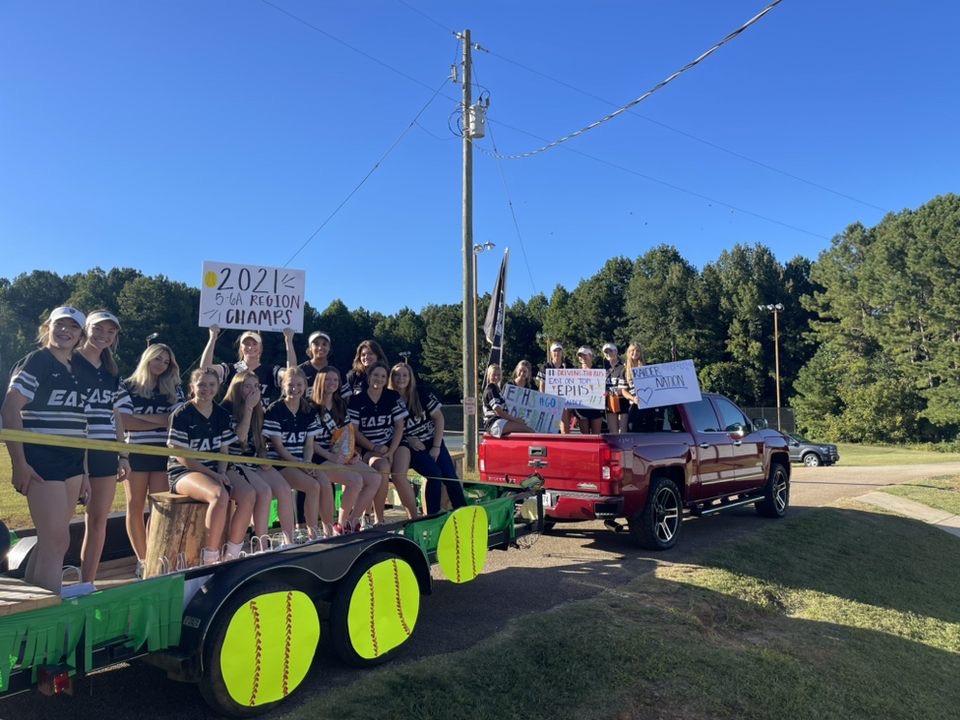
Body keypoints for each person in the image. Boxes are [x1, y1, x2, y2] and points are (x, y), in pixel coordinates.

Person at [1, 306, 91, 592]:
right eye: (59, 325)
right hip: (42, 461)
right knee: (56, 541)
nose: (65, 331)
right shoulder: (37, 361)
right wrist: (19, 463)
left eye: (73, 327)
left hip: (72, 463)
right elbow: (10, 408)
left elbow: (81, 424)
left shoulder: (76, 369)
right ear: (47, 327)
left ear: (80, 335)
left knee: (52, 540)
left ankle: (34, 603)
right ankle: (50, 611)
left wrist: (85, 472)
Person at [167, 368, 254, 564]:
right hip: (185, 471)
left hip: (216, 469)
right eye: (202, 385)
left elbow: (224, 451)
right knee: (219, 495)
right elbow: (182, 457)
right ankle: (210, 555)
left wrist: (222, 471)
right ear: (192, 387)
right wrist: (214, 475)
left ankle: (232, 552)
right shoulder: (181, 414)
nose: (206, 389)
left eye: (211, 385)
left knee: (248, 494)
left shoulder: (221, 414)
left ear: (218, 387)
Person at [73, 310, 130, 583]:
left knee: (97, 523)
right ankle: (47, 586)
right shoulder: (70, 361)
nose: (103, 336)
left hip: (105, 451)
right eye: (99, 329)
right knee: (58, 528)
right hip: (71, 452)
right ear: (87, 328)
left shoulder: (111, 371)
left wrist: (123, 454)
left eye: (110, 331)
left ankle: (87, 583)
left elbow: (115, 414)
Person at [119, 342, 184, 578]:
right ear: (147, 358)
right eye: (158, 359)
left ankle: (157, 555)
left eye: (166, 362)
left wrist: (141, 418)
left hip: (163, 453)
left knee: (159, 508)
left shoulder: (174, 387)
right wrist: (160, 419)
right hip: (135, 452)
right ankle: (142, 559)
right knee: (134, 506)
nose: (161, 365)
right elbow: (123, 422)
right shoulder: (127, 386)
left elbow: (175, 420)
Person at [221, 371, 296, 548]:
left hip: (255, 460)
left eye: (256, 386)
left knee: (284, 490)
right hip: (234, 461)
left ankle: (290, 541)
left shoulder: (259, 410)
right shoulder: (226, 408)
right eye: (247, 386)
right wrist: (248, 408)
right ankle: (261, 543)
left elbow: (259, 438)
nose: (252, 391)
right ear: (237, 388)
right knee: (264, 491)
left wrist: (264, 456)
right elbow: (240, 438)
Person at [389, 363, 466, 515]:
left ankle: (463, 512)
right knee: (434, 475)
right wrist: (409, 439)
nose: (401, 378)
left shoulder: (421, 393)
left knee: (450, 477)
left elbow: (439, 418)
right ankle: (432, 516)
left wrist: (436, 447)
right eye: (397, 375)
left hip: (432, 441)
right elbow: (389, 429)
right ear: (392, 378)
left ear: (410, 377)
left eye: (405, 375)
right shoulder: (389, 398)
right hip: (412, 446)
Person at [311, 365, 380, 533]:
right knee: (355, 480)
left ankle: (350, 522)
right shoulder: (309, 406)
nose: (332, 383)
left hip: (338, 455)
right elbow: (308, 441)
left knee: (374, 478)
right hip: (317, 457)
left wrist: (353, 453)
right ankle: (340, 525)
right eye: (327, 379)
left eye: (335, 380)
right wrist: (330, 456)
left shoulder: (339, 404)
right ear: (319, 381)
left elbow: (347, 433)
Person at [263, 367, 327, 539]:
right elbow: (278, 446)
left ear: (305, 386)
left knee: (323, 482)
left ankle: (320, 530)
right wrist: (301, 466)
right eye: (290, 385)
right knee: (312, 486)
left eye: (299, 385)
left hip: (300, 462)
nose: (295, 389)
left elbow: (309, 444)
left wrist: (306, 462)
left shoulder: (309, 410)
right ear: (283, 386)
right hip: (281, 463)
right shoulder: (275, 409)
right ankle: (302, 534)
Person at [348, 362, 416, 523]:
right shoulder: (357, 400)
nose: (379, 379)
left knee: (400, 475)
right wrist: (374, 447)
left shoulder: (392, 396)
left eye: (383, 376)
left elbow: (400, 426)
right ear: (369, 377)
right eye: (375, 375)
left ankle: (415, 518)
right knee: (382, 468)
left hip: (394, 444)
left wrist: (391, 451)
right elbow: (354, 431)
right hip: (369, 447)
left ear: (387, 380)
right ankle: (379, 518)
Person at [201, 325, 296, 407]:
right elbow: (205, 370)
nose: (250, 347)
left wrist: (289, 341)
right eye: (247, 344)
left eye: (255, 344)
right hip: (234, 420)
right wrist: (212, 338)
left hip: (260, 422)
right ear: (241, 348)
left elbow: (292, 375)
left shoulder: (269, 370)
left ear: (260, 348)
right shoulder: (232, 368)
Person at [482, 364, 534, 438]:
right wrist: (515, 420)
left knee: (525, 428)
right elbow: (498, 411)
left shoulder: (497, 390)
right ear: (489, 375)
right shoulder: (491, 389)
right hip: (494, 423)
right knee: (528, 430)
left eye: (498, 374)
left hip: (500, 422)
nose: (496, 377)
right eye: (493, 375)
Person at [536, 342, 572, 433]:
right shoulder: (545, 367)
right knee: (551, 424)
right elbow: (542, 387)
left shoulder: (568, 366)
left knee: (565, 420)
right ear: (551, 353)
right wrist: (545, 402)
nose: (557, 353)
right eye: (555, 351)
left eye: (559, 350)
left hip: (565, 400)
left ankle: (566, 440)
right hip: (550, 400)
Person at [574, 346, 604, 434]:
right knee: (585, 437)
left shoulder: (599, 371)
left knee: (596, 436)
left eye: (585, 355)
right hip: (581, 408)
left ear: (591, 356)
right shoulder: (575, 373)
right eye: (580, 356)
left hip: (596, 407)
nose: (582, 358)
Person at [602, 343, 629, 434]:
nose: (608, 353)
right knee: (613, 432)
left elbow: (627, 385)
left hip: (622, 402)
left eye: (610, 351)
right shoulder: (604, 369)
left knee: (622, 432)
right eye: (606, 352)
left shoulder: (623, 367)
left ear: (616, 352)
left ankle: (624, 448)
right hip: (610, 403)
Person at [619, 343, 647, 431]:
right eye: (632, 350)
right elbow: (623, 391)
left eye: (638, 350)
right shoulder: (624, 370)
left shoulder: (647, 367)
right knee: (634, 430)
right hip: (634, 406)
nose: (635, 353)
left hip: (648, 406)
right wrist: (633, 398)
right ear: (629, 353)